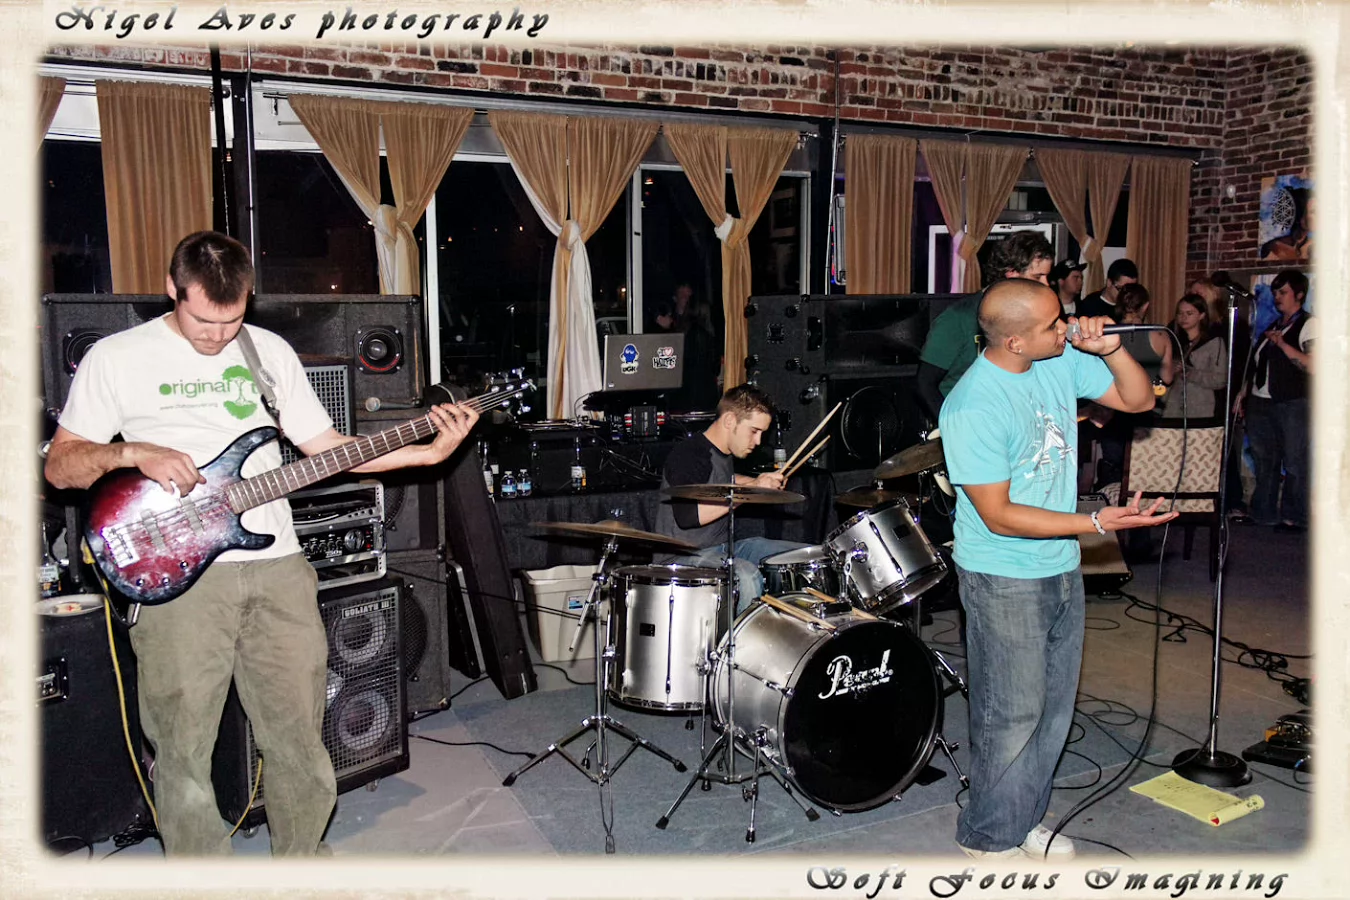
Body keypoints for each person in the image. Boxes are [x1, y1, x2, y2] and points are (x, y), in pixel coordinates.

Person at [43, 231, 480, 856]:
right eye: (203, 320)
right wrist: (133, 452)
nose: (217, 335)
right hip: (177, 574)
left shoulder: (268, 351)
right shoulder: (116, 358)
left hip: (278, 567)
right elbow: (61, 467)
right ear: (172, 290)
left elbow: (328, 450)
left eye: (232, 319)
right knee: (183, 745)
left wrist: (426, 453)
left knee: (299, 732)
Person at [938, 278, 1178, 860]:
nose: (1068, 326)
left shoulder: (1058, 360)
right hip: (1003, 575)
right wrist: (1095, 523)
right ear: (1014, 341)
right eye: (1054, 323)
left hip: (1060, 562)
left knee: (1052, 711)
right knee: (1011, 715)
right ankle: (988, 837)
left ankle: (1021, 817)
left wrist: (1112, 350)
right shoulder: (973, 405)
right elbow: (999, 515)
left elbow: (1140, 401)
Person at [654, 384, 806, 611]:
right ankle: (740, 635)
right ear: (729, 421)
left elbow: (723, 480)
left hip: (722, 549)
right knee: (746, 576)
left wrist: (757, 481)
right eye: (754, 431)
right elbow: (688, 517)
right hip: (680, 558)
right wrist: (752, 491)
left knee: (800, 556)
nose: (758, 441)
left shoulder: (722, 453)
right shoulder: (689, 454)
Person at [916, 230, 1054, 421]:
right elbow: (925, 384)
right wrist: (953, 426)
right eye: (1038, 277)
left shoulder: (1034, 317)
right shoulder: (958, 318)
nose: (1046, 284)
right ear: (1012, 275)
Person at [1232, 269, 1314, 532]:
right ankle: (1263, 513)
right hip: (1262, 401)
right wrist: (1243, 393)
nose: (1277, 297)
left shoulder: (1309, 324)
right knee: (1264, 459)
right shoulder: (1275, 325)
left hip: (1292, 401)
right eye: (1275, 292)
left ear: (1299, 295)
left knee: (1295, 461)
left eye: (1283, 292)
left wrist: (1283, 345)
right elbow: (1258, 364)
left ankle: (1295, 517)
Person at [1088, 283, 1173, 492]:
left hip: (1115, 411)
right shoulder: (1160, 335)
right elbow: (1167, 378)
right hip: (1147, 412)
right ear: (1146, 306)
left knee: (1114, 470)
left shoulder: (1108, 334)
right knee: (1146, 471)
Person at [1162, 293, 1228, 419]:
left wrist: (1188, 372)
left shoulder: (1213, 342)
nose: (1183, 317)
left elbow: (1220, 380)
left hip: (1201, 409)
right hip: (1172, 408)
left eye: (1189, 313)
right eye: (1180, 313)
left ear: (1201, 315)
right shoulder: (1171, 339)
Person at [1077, 257, 1138, 321]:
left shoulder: (1131, 306)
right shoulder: (1089, 306)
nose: (1126, 295)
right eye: (1121, 289)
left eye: (1131, 290)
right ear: (1109, 283)